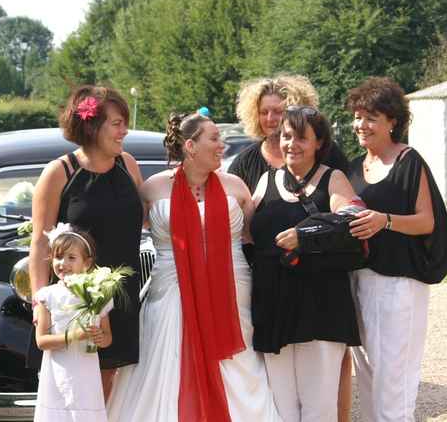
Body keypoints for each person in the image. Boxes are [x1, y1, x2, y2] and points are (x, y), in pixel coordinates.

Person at [107, 113, 281, 422]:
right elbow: (123, 232)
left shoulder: (236, 186)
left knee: (237, 365)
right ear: (190, 146)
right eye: (214, 138)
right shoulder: (152, 188)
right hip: (170, 291)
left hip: (230, 289)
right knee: (168, 360)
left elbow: (258, 238)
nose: (222, 145)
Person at [230, 75, 354, 421]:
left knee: (317, 406)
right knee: (280, 406)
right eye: (287, 136)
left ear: (318, 143)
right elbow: (242, 232)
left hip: (321, 303)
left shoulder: (333, 178)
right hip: (274, 304)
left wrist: (307, 234)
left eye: (301, 138)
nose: (291, 144)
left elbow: (354, 221)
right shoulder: (265, 180)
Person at [346, 77, 447, 422]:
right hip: (358, 281)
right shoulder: (352, 168)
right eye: (358, 117)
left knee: (395, 376)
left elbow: (427, 221)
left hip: (399, 286)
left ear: (393, 121)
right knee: (367, 374)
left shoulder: (409, 161)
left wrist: (385, 221)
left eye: (371, 118)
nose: (362, 125)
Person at [29, 85, 144, 400]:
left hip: (123, 294)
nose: (125, 130)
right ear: (92, 126)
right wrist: (40, 304)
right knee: (79, 390)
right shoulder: (59, 172)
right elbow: (40, 244)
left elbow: (147, 216)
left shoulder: (128, 164)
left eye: (125, 122)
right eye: (117, 123)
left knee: (116, 389)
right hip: (75, 301)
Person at [34, 226, 113, 422]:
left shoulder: (96, 294)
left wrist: (100, 338)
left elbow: (108, 337)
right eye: (58, 257)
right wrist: (73, 336)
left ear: (87, 263)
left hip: (86, 373)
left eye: (71, 258)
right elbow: (41, 341)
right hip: (58, 372)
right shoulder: (48, 295)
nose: (63, 263)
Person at [229, 75, 349, 193]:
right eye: (264, 112)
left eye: (278, 111)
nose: (270, 119)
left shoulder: (326, 151)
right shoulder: (244, 164)